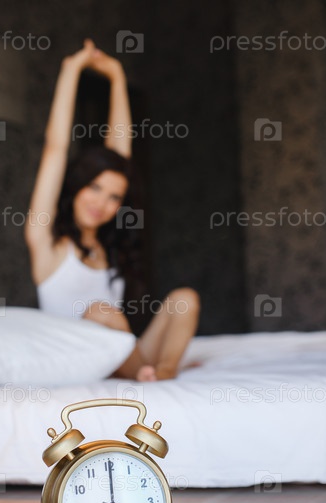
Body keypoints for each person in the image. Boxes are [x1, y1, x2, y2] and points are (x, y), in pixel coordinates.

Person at [25, 39, 200, 381]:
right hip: (80, 362)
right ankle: (145, 374)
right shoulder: (47, 242)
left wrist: (117, 77)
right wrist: (71, 70)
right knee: (101, 313)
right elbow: (55, 149)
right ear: (77, 186)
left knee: (185, 298)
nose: (101, 203)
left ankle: (163, 373)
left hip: (124, 357)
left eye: (113, 197)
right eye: (94, 188)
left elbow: (120, 156)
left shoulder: (107, 243)